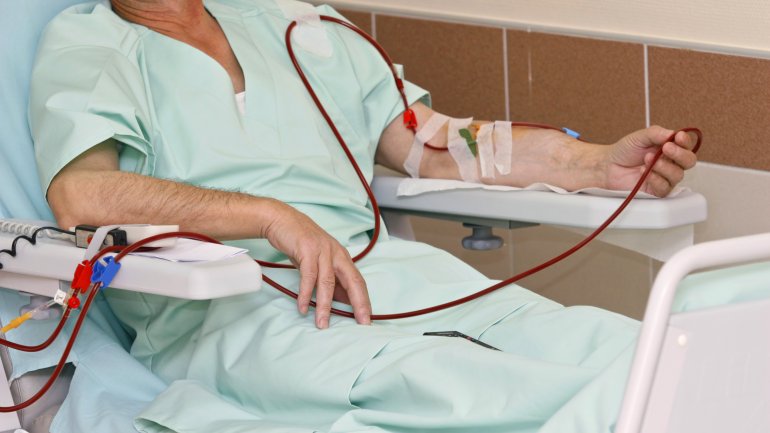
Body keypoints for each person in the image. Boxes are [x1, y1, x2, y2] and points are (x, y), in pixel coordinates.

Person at [29, 0, 697, 432]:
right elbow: (81, 194)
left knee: (643, 350)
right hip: (241, 314)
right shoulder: (91, 43)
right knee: (474, 388)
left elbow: (433, 144)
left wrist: (594, 164)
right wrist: (266, 215)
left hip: (402, 280)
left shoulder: (292, 24)